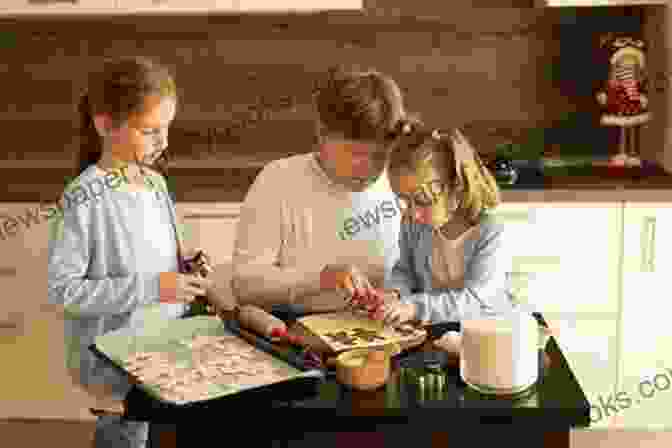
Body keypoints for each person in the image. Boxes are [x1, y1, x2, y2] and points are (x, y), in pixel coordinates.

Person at [47, 56, 212, 448]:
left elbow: (160, 258)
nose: (164, 142)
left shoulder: (155, 183)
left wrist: (186, 264)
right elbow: (63, 290)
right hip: (116, 364)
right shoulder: (83, 197)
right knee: (126, 440)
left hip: (162, 352)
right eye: (150, 131)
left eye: (167, 129)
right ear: (105, 125)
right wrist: (155, 287)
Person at [231, 66, 406, 315]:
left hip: (382, 331)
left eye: (379, 155)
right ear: (322, 133)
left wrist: (400, 295)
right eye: (353, 153)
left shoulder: (404, 183)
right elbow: (245, 286)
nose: (367, 168)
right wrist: (319, 280)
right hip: (298, 334)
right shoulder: (278, 182)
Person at [382, 118, 517, 325]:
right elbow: (405, 270)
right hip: (436, 332)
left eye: (422, 200)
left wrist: (413, 307)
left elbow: (475, 301)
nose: (411, 212)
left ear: (457, 189)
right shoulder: (412, 222)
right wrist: (395, 294)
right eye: (404, 200)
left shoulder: (491, 232)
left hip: (488, 333)